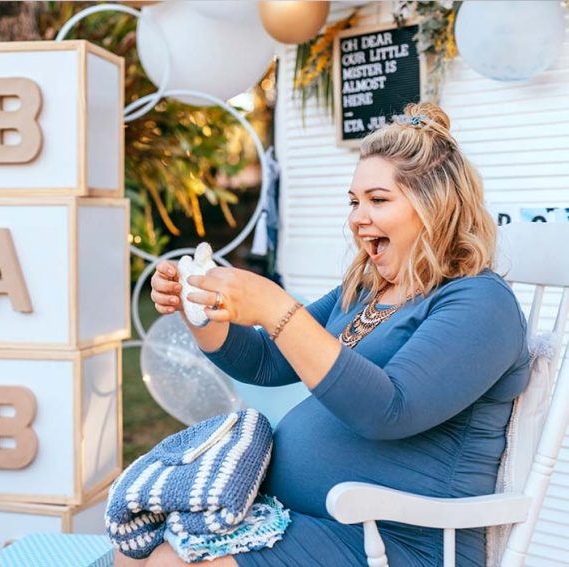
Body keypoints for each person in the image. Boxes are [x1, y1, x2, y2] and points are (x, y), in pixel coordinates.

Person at [130, 103, 530, 566]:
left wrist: (276, 307)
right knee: (137, 549)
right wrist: (201, 312)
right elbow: (267, 360)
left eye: (378, 200)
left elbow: (389, 410)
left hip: (399, 539)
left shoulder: (480, 302)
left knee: (168, 563)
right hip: (307, 518)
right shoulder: (365, 291)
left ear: (435, 205)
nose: (358, 217)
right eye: (354, 201)